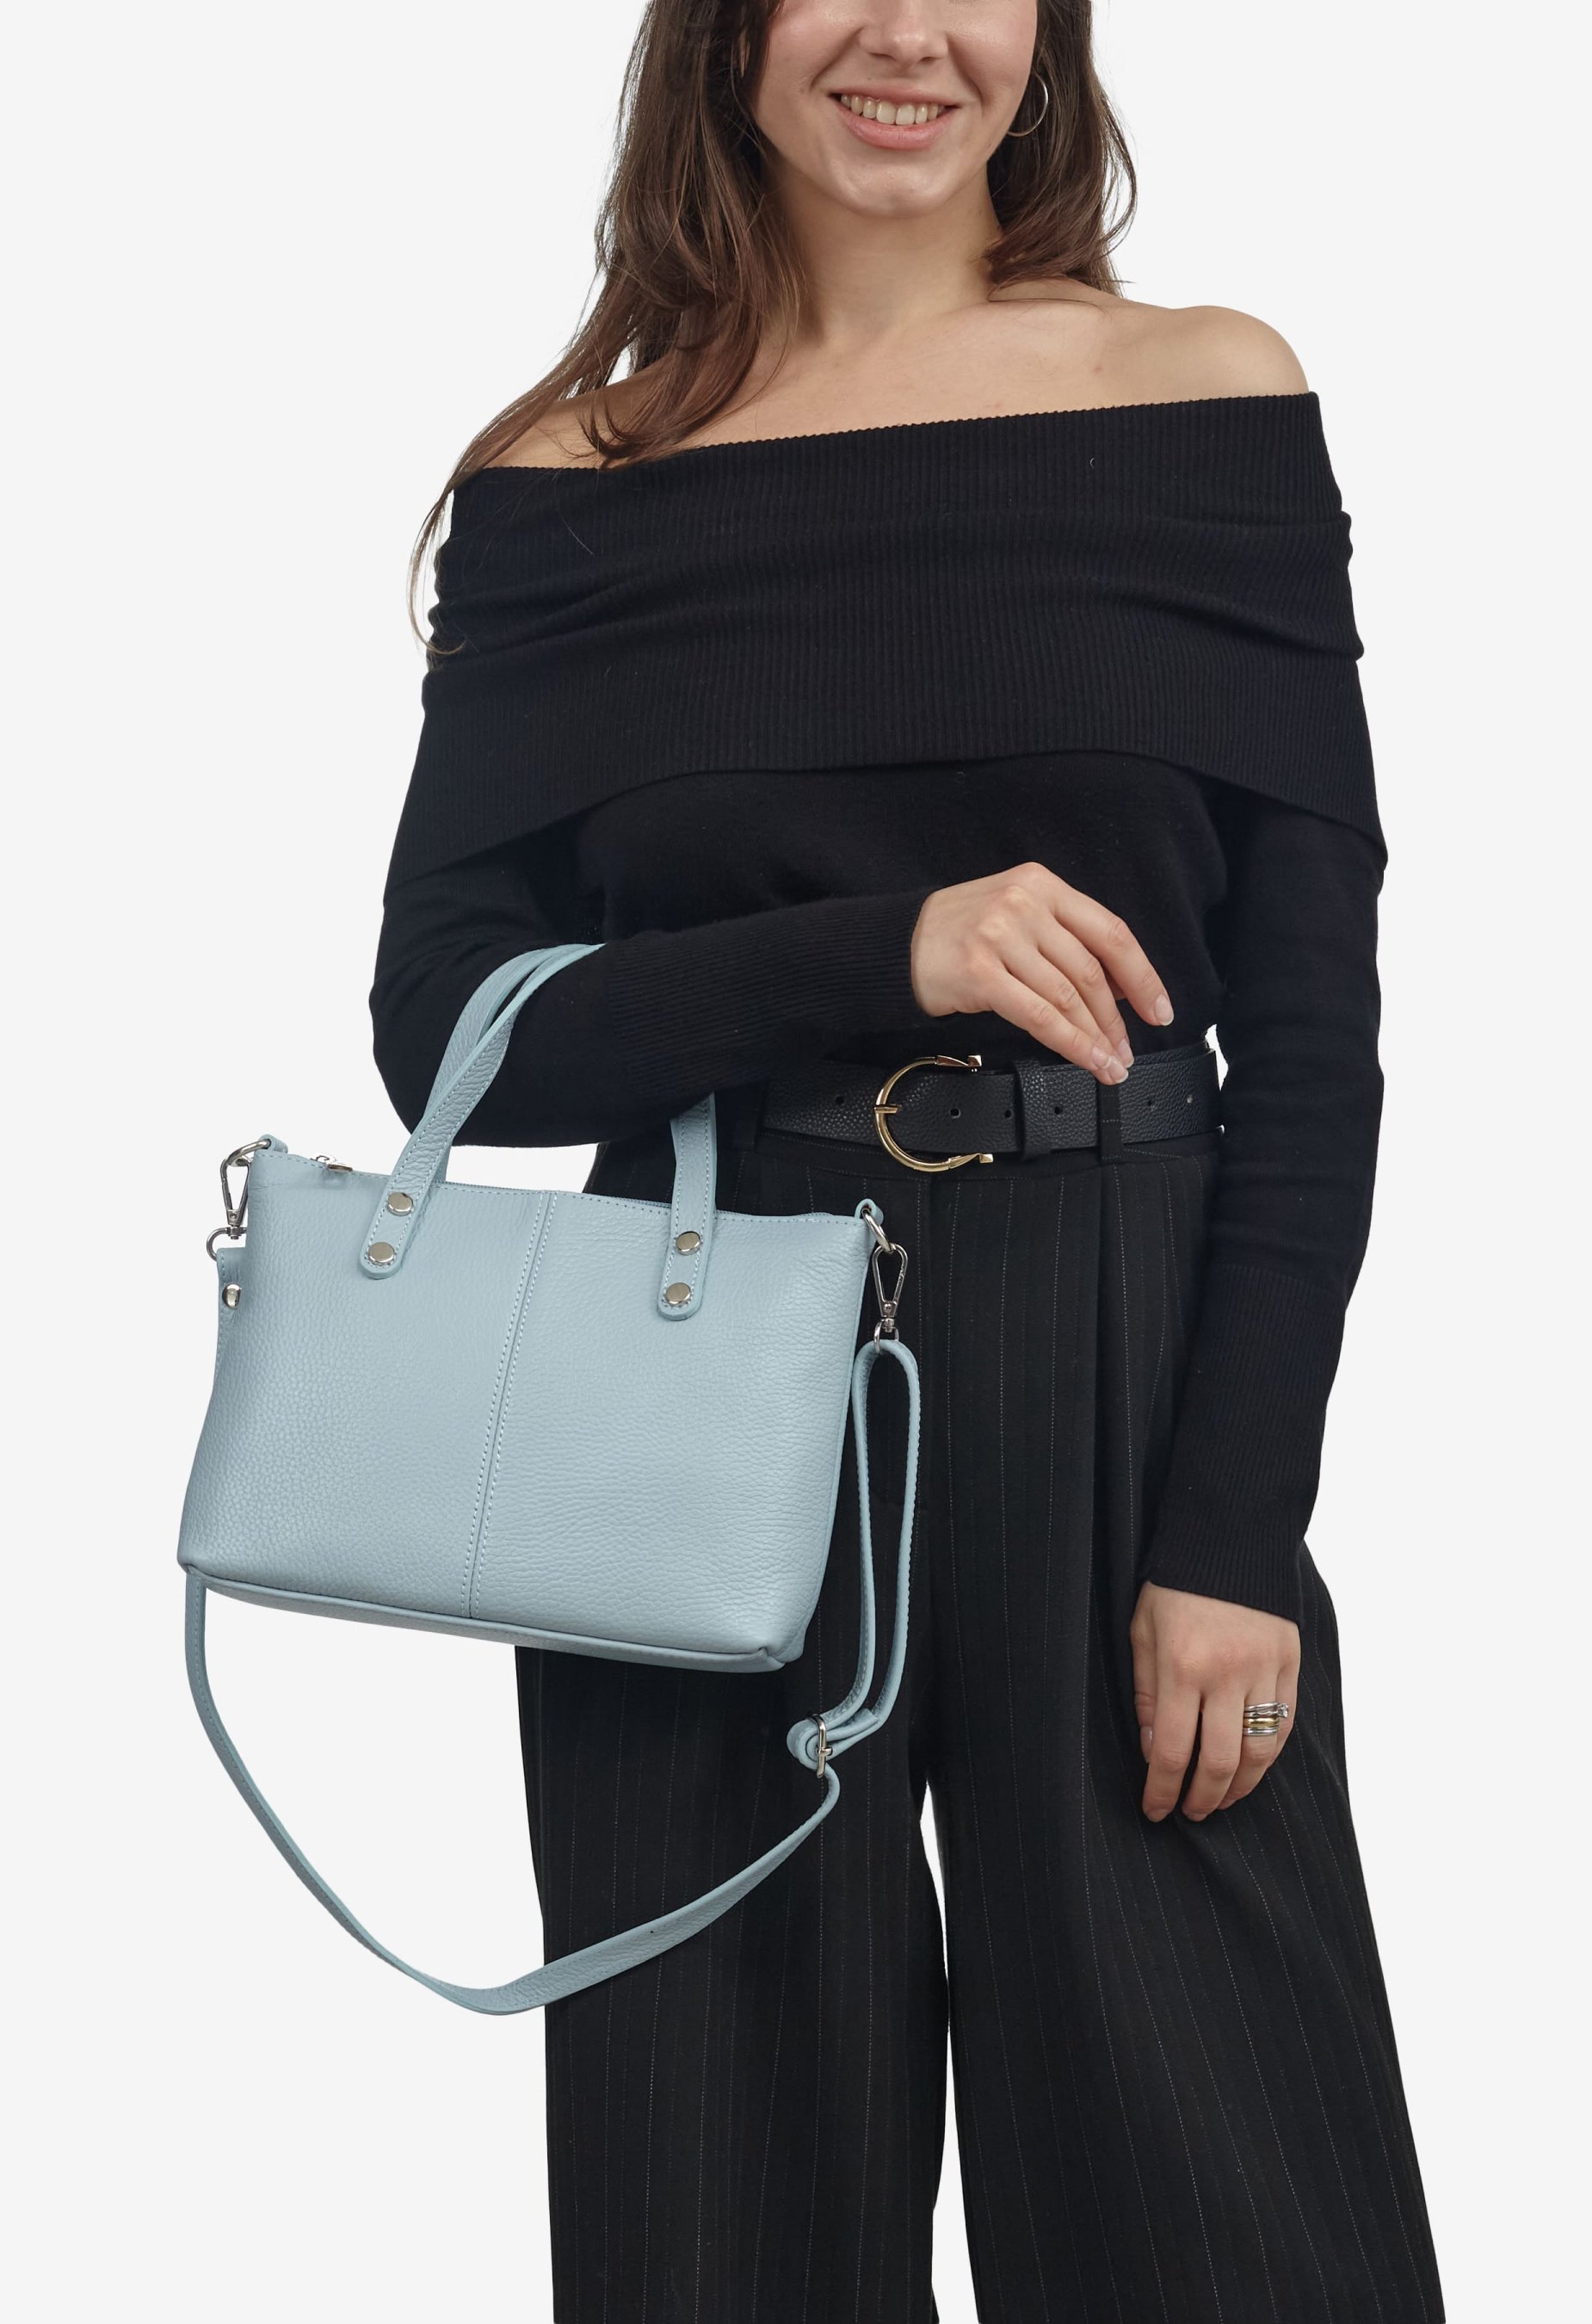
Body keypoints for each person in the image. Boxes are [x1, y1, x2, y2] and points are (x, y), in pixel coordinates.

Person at [369, 4, 1444, 2317]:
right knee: (713, 2214)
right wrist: (891, 948)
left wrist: (1232, 1524)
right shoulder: (575, 481)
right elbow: (442, 1033)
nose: (906, 34)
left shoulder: (1196, 400)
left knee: (1232, 2214)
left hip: (1128, 1336)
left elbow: (1317, 1041)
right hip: (692, 1346)